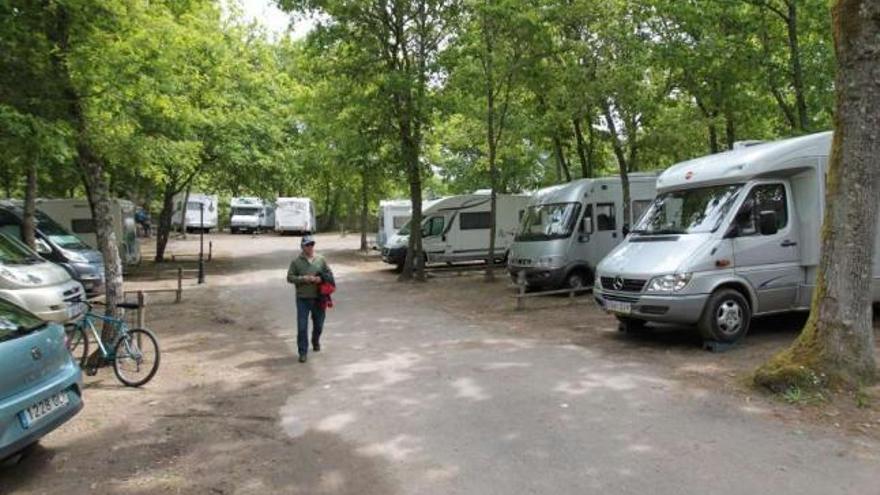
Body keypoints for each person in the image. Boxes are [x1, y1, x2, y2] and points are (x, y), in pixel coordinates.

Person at [286, 235, 333, 363]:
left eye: (312, 244)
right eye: (307, 245)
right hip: (303, 299)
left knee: (319, 325)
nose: (310, 247)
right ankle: (302, 352)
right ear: (302, 247)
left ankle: (315, 340)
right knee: (302, 327)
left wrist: (321, 279)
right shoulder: (296, 262)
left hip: (319, 298)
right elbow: (289, 278)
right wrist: (304, 279)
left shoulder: (321, 259)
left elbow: (329, 275)